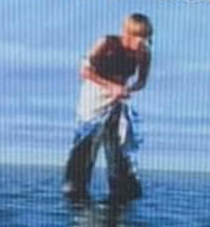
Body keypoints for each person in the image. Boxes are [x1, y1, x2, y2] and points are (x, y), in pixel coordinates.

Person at [62, 13, 152, 202]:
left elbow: (142, 81)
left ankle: (122, 187)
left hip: (118, 96)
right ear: (127, 34)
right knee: (87, 139)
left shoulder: (143, 53)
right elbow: (85, 71)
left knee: (119, 141)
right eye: (140, 38)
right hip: (95, 95)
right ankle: (75, 187)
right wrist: (109, 86)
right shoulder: (106, 43)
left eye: (146, 38)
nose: (143, 43)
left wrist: (128, 89)